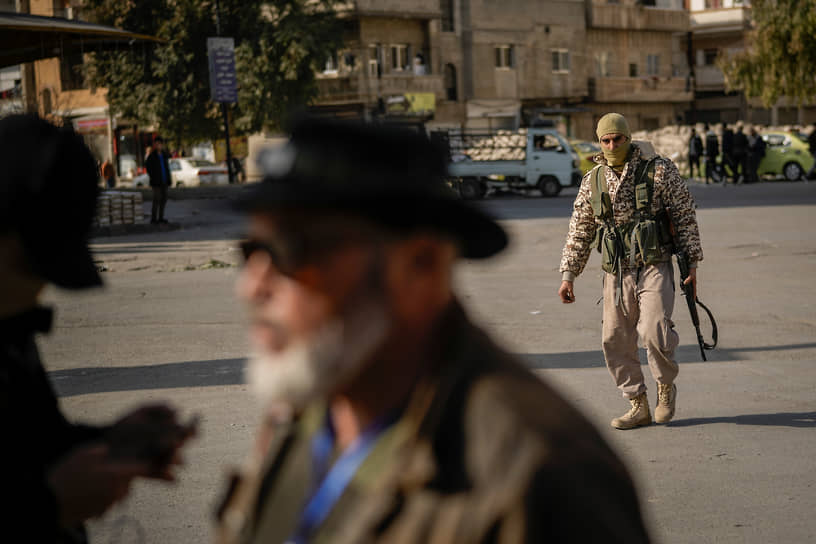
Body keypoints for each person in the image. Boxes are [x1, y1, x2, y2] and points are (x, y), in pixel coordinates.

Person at [214, 117, 652, 544]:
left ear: (420, 265)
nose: (251, 286)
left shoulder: (540, 476)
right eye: (250, 250)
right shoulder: (305, 410)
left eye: (291, 251)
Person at [0, 114, 195, 543]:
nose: (40, 290)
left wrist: (112, 443)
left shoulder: (12, 335)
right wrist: (48, 505)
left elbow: (33, 443)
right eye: (32, 266)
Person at [558, 113, 703, 430]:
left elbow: (684, 215)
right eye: (606, 140)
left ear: (628, 138)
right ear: (600, 142)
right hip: (616, 270)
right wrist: (569, 274)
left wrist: (692, 262)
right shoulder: (593, 179)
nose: (612, 145)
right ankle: (637, 403)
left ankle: (665, 387)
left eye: (618, 139)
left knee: (654, 329)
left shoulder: (659, 170)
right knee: (614, 339)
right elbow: (581, 229)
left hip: (655, 263)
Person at [145, 136, 172, 224]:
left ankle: (161, 217)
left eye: (160, 144)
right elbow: (148, 168)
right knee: (156, 199)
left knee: (164, 199)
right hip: (156, 182)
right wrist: (153, 177)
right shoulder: (152, 156)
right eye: (156, 144)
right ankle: (154, 218)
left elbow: (167, 168)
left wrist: (169, 179)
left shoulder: (164, 155)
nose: (158, 146)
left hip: (164, 181)